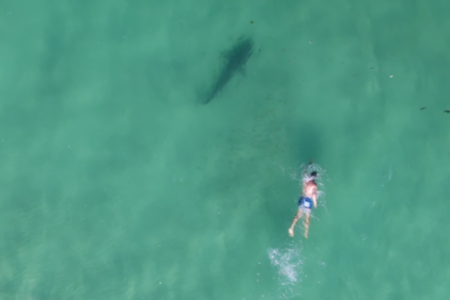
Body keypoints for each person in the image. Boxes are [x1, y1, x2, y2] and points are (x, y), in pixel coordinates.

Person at [288, 171, 318, 238]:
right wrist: (315, 202)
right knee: (307, 219)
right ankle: (306, 232)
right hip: (308, 201)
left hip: (302, 199)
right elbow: (314, 194)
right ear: (315, 177)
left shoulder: (305, 181)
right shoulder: (314, 184)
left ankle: (291, 227)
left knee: (298, 216)